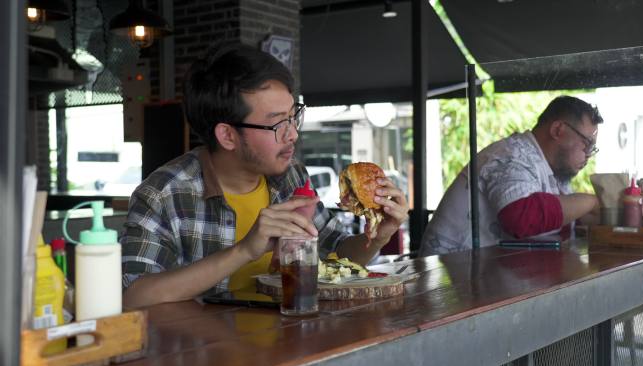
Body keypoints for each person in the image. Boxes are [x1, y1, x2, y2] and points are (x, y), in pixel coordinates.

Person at [121, 44, 409, 308]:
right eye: (277, 124)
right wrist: (245, 250)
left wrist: (379, 236)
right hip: (208, 357)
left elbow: (337, 255)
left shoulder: (291, 177)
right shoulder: (163, 194)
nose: (293, 133)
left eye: (293, 115)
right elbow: (134, 295)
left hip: (293, 343)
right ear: (228, 135)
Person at [420, 96, 602, 255]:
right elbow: (522, 217)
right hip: (448, 281)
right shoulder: (511, 154)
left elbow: (558, 221)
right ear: (558, 130)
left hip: (478, 278)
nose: (588, 154)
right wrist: (592, 201)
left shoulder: (551, 171)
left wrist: (603, 214)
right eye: (586, 143)